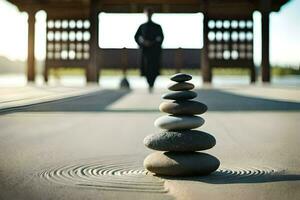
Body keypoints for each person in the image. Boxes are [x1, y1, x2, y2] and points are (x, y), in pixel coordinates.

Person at [134, 8, 164, 93]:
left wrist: (153, 43)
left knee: (154, 68)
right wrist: (143, 42)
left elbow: (160, 38)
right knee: (146, 68)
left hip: (155, 51)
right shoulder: (142, 26)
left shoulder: (157, 26)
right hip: (145, 51)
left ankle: (152, 83)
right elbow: (137, 37)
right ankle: (149, 83)